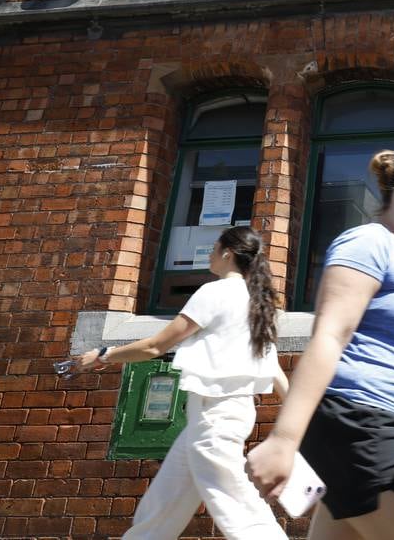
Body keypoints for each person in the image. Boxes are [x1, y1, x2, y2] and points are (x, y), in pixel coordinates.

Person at [245, 150, 394, 540]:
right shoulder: (367, 242)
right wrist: (284, 439)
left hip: (383, 426)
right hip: (361, 425)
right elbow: (330, 334)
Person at [69, 225, 289, 539]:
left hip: (215, 417)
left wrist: (103, 355)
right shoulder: (257, 303)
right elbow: (275, 369)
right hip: (218, 416)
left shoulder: (215, 292)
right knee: (163, 506)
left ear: (227, 253)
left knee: (240, 511)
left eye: (214, 248)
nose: (210, 253)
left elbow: (155, 346)